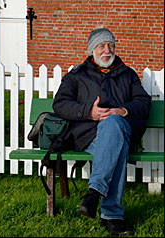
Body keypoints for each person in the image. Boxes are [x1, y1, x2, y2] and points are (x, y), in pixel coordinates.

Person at [52, 28, 151, 236]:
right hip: (89, 135)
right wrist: (89, 111)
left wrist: (122, 110)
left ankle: (94, 193)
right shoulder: (77, 75)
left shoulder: (127, 74)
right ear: (92, 50)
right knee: (118, 147)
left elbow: (143, 103)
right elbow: (60, 104)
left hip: (123, 128)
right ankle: (111, 216)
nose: (107, 50)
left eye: (111, 45)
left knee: (114, 125)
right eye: (101, 46)